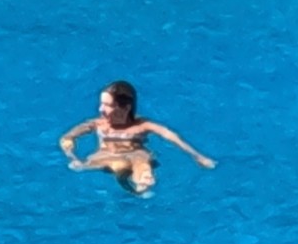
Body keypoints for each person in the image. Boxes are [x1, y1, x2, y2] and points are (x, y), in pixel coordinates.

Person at [58, 81, 214, 195]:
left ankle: (142, 185)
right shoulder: (98, 124)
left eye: (107, 105)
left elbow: (171, 137)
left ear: (125, 108)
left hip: (135, 156)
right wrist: (71, 155)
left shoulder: (142, 126)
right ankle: (132, 182)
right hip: (105, 158)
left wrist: (198, 156)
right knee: (110, 164)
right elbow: (67, 138)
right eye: (101, 104)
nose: (100, 109)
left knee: (140, 159)